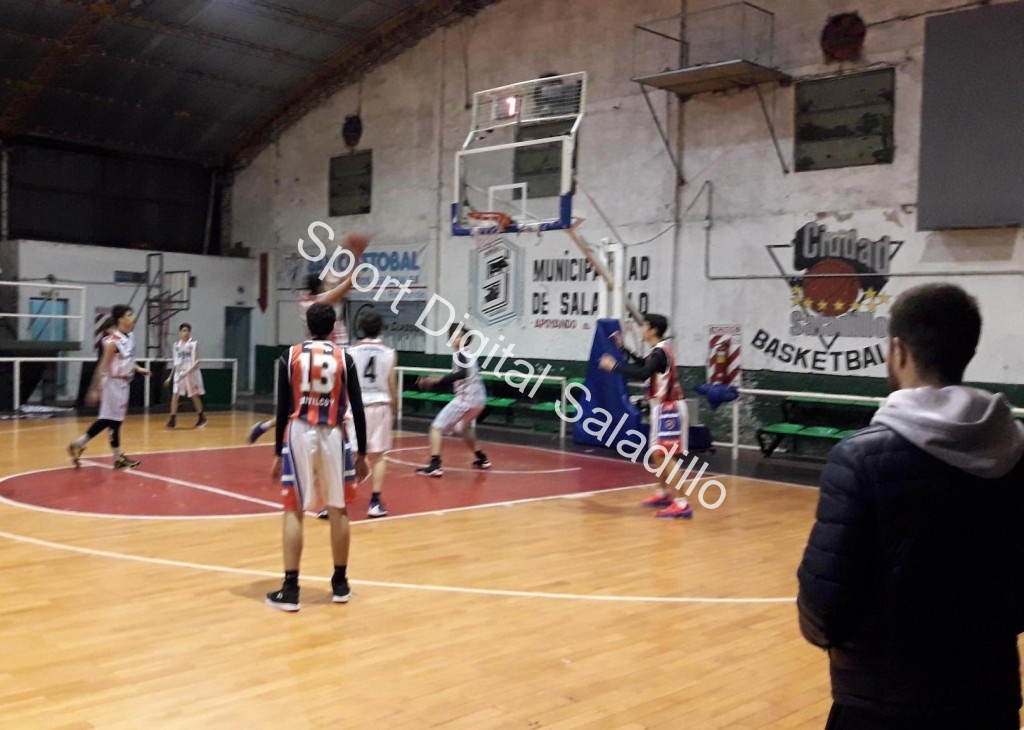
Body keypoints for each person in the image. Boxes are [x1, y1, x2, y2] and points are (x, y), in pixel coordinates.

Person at [797, 283, 1024, 729]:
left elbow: (824, 608)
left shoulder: (860, 458)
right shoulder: (1016, 451)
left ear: (898, 351)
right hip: (989, 699)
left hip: (883, 704)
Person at [266, 302, 369, 612]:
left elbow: (282, 408)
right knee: (338, 508)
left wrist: (277, 451)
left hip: (300, 431)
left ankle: (290, 589)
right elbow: (358, 408)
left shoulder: (290, 356)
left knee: (294, 509)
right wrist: (363, 452)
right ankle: (340, 584)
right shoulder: (344, 358)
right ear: (333, 328)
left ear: (308, 326)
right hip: (334, 434)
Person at [248, 232, 368, 444]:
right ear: (321, 287)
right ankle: (345, 443)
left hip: (313, 355)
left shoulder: (305, 300)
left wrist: (345, 259)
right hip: (333, 355)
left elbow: (343, 282)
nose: (332, 283)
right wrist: (357, 255)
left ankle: (265, 426)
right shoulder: (323, 301)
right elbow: (350, 281)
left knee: (305, 403)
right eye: (328, 282)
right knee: (341, 402)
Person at [598, 314, 693, 519]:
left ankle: (681, 504)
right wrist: (624, 349)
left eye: (644, 326)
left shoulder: (660, 352)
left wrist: (614, 367)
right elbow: (644, 365)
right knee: (657, 453)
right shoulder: (658, 351)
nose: (641, 330)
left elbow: (642, 373)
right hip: (661, 407)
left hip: (669, 408)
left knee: (666, 455)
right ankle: (663, 493)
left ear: (653, 330)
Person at [68, 305, 151, 469]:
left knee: (110, 420)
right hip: (113, 383)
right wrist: (94, 389)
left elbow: (127, 359)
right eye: (129, 315)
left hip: (124, 383)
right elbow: (103, 365)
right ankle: (116, 457)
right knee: (112, 420)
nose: (133, 317)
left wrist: (138, 368)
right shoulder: (112, 341)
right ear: (121, 319)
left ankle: (79, 444)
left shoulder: (130, 336)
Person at [415, 322, 490, 476]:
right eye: (453, 337)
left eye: (458, 336)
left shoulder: (460, 354)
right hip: (479, 400)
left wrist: (436, 380)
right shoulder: (469, 354)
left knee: (436, 428)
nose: (455, 339)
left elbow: (463, 373)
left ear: (466, 339)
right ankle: (482, 458)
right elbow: (463, 374)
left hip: (466, 400)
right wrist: (439, 380)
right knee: (464, 428)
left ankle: (435, 465)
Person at [345, 309, 396, 518]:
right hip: (380, 404)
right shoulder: (389, 352)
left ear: (360, 328)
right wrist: (395, 408)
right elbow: (392, 384)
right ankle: (375, 502)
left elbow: (345, 384)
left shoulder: (350, 351)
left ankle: (336, 501)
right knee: (379, 456)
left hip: (357, 405)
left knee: (349, 454)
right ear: (381, 328)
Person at [164, 322, 207, 429]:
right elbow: (175, 362)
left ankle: (201, 417)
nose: (186, 333)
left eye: (187, 331)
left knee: (193, 395)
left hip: (191, 373)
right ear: (180, 332)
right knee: (175, 395)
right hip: (179, 373)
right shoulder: (176, 345)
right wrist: (170, 377)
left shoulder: (193, 344)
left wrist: (188, 371)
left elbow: (197, 360)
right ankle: (172, 419)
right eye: (184, 330)